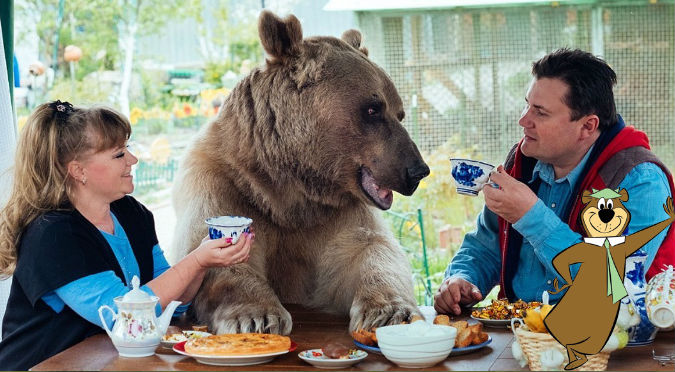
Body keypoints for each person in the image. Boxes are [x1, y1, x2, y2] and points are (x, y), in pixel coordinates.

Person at [0, 100, 254, 370]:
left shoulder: (131, 212)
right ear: (78, 170)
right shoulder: (52, 235)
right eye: (119, 154)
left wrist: (203, 263)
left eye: (127, 149)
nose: (132, 160)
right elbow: (125, 318)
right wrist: (195, 261)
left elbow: (174, 305)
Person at [435, 48, 674, 315]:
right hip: (522, 337)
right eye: (527, 104)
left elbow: (613, 285)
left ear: (587, 126)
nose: (523, 120)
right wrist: (462, 280)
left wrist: (530, 216)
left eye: (540, 112)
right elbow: (486, 245)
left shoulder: (641, 181)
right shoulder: (521, 162)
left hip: (608, 347)